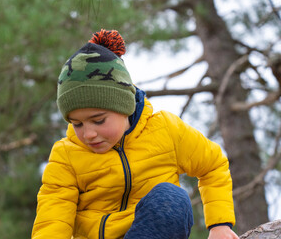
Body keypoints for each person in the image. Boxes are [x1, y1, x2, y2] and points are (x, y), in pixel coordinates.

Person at [31, 29, 239, 239]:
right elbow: (53, 217)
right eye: (77, 124)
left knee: (172, 198)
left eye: (98, 120)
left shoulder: (166, 129)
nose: (88, 134)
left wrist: (219, 225)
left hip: (152, 233)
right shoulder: (66, 155)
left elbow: (213, 165)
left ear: (125, 106)